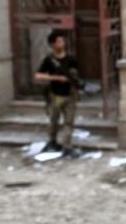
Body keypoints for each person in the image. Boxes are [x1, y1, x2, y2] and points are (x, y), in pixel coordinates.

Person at [34, 30, 81, 158]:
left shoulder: (71, 59)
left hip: (69, 95)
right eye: (59, 41)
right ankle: (52, 142)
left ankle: (67, 146)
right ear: (52, 44)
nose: (62, 43)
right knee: (54, 121)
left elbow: (76, 75)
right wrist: (56, 78)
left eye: (62, 41)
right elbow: (38, 75)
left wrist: (74, 83)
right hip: (55, 95)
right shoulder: (49, 60)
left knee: (69, 122)